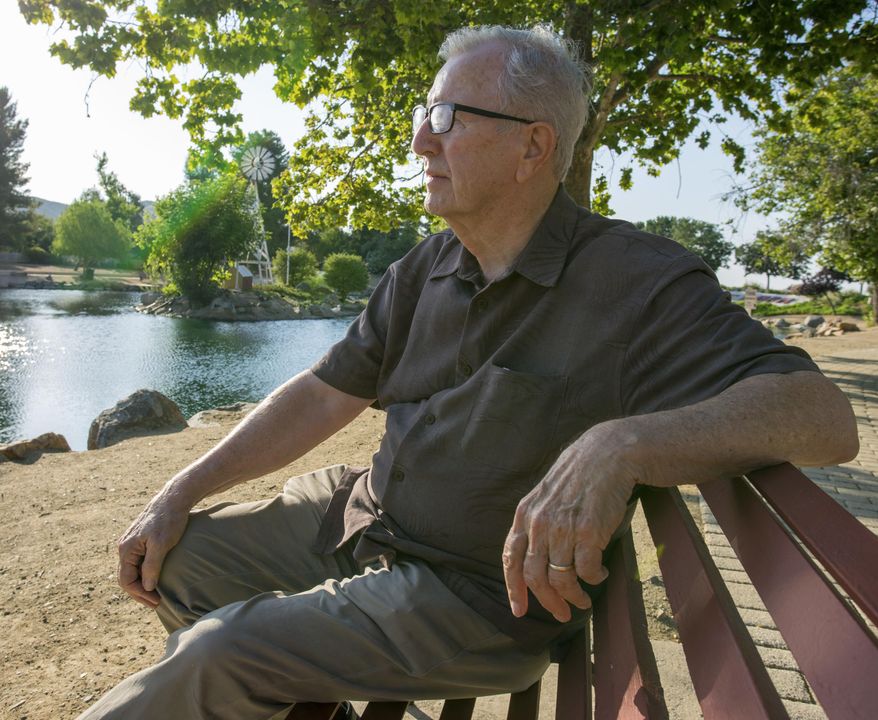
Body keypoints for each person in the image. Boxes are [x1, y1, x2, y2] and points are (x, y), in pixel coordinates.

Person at [78, 24, 858, 720]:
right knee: (174, 561)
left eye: (448, 118)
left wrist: (621, 446)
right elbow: (320, 394)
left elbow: (823, 417)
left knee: (220, 653)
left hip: (473, 598)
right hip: (363, 517)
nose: (422, 141)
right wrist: (178, 490)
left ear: (533, 147)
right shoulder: (425, 267)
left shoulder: (639, 282)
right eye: (425, 114)